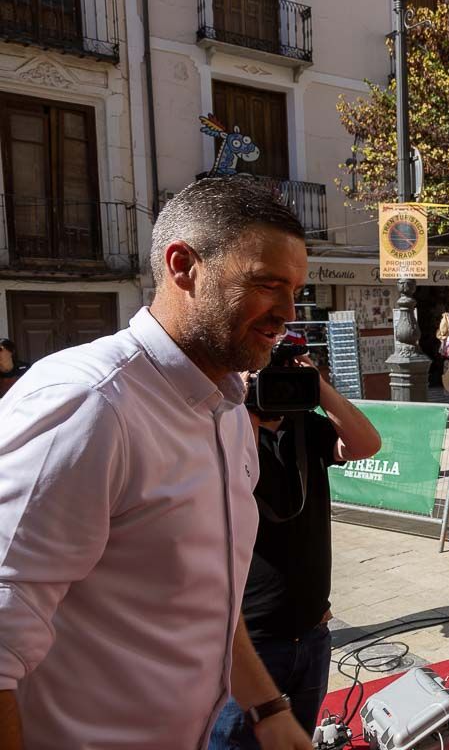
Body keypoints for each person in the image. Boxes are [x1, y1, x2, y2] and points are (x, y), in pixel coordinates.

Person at [0, 177, 313, 749]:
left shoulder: (226, 408)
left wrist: (268, 708)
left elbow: (208, 598)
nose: (286, 314)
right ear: (183, 266)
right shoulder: (88, 405)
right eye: (268, 285)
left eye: (295, 290)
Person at [209, 334, 382, 748]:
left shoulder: (306, 426)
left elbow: (366, 444)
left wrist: (319, 386)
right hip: (250, 644)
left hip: (312, 633)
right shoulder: (223, 427)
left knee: (297, 739)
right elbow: (236, 474)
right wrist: (242, 403)